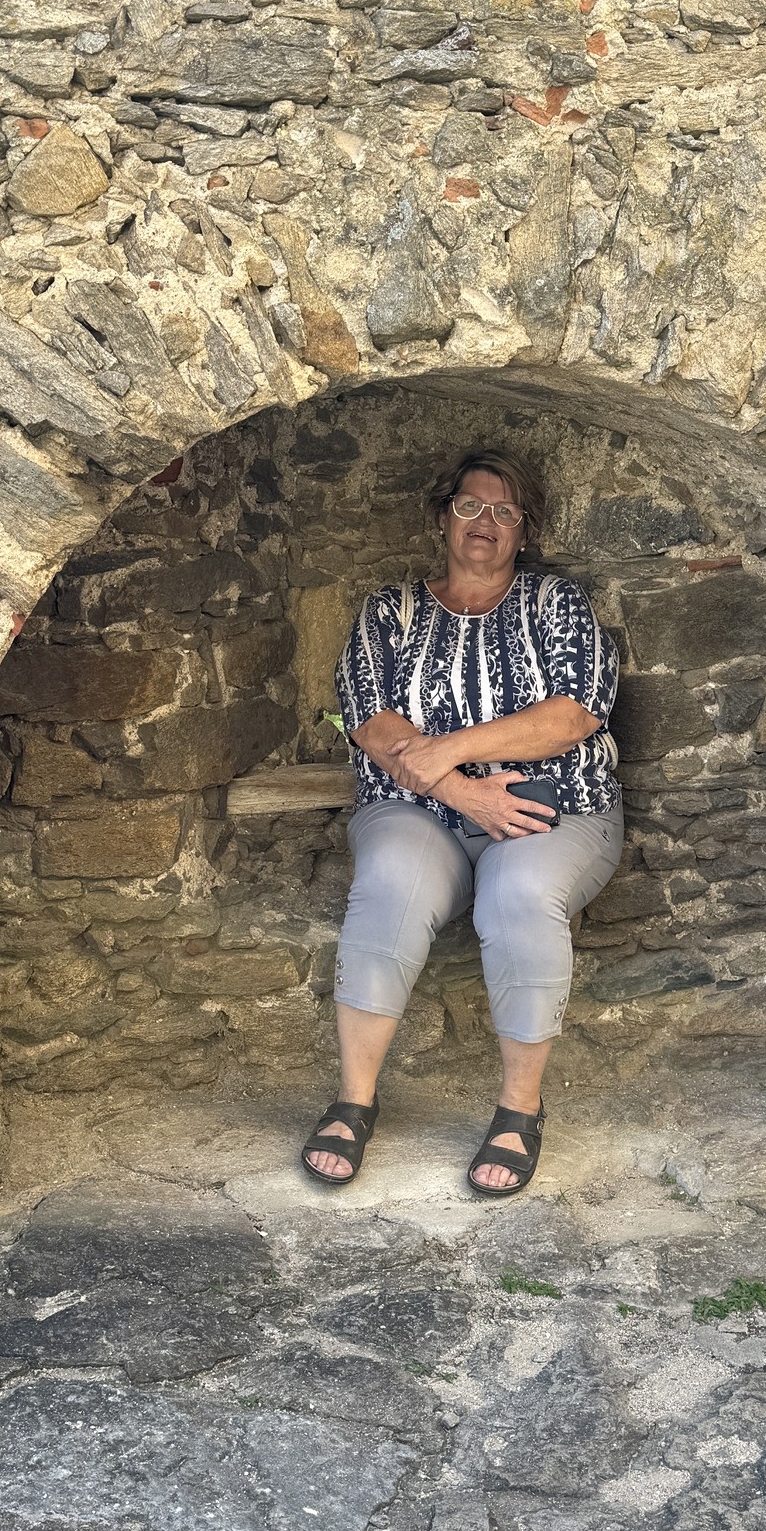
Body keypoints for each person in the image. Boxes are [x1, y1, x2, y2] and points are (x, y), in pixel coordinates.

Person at [301, 450, 624, 1197]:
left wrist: (449, 750)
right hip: (416, 808)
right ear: (443, 516)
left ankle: (519, 1112)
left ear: (524, 530)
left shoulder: (556, 604)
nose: (486, 522)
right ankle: (353, 1102)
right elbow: (372, 722)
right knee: (388, 883)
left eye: (505, 512)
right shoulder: (391, 611)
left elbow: (573, 714)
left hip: (554, 806)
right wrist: (464, 793)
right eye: (471, 506)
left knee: (519, 897)